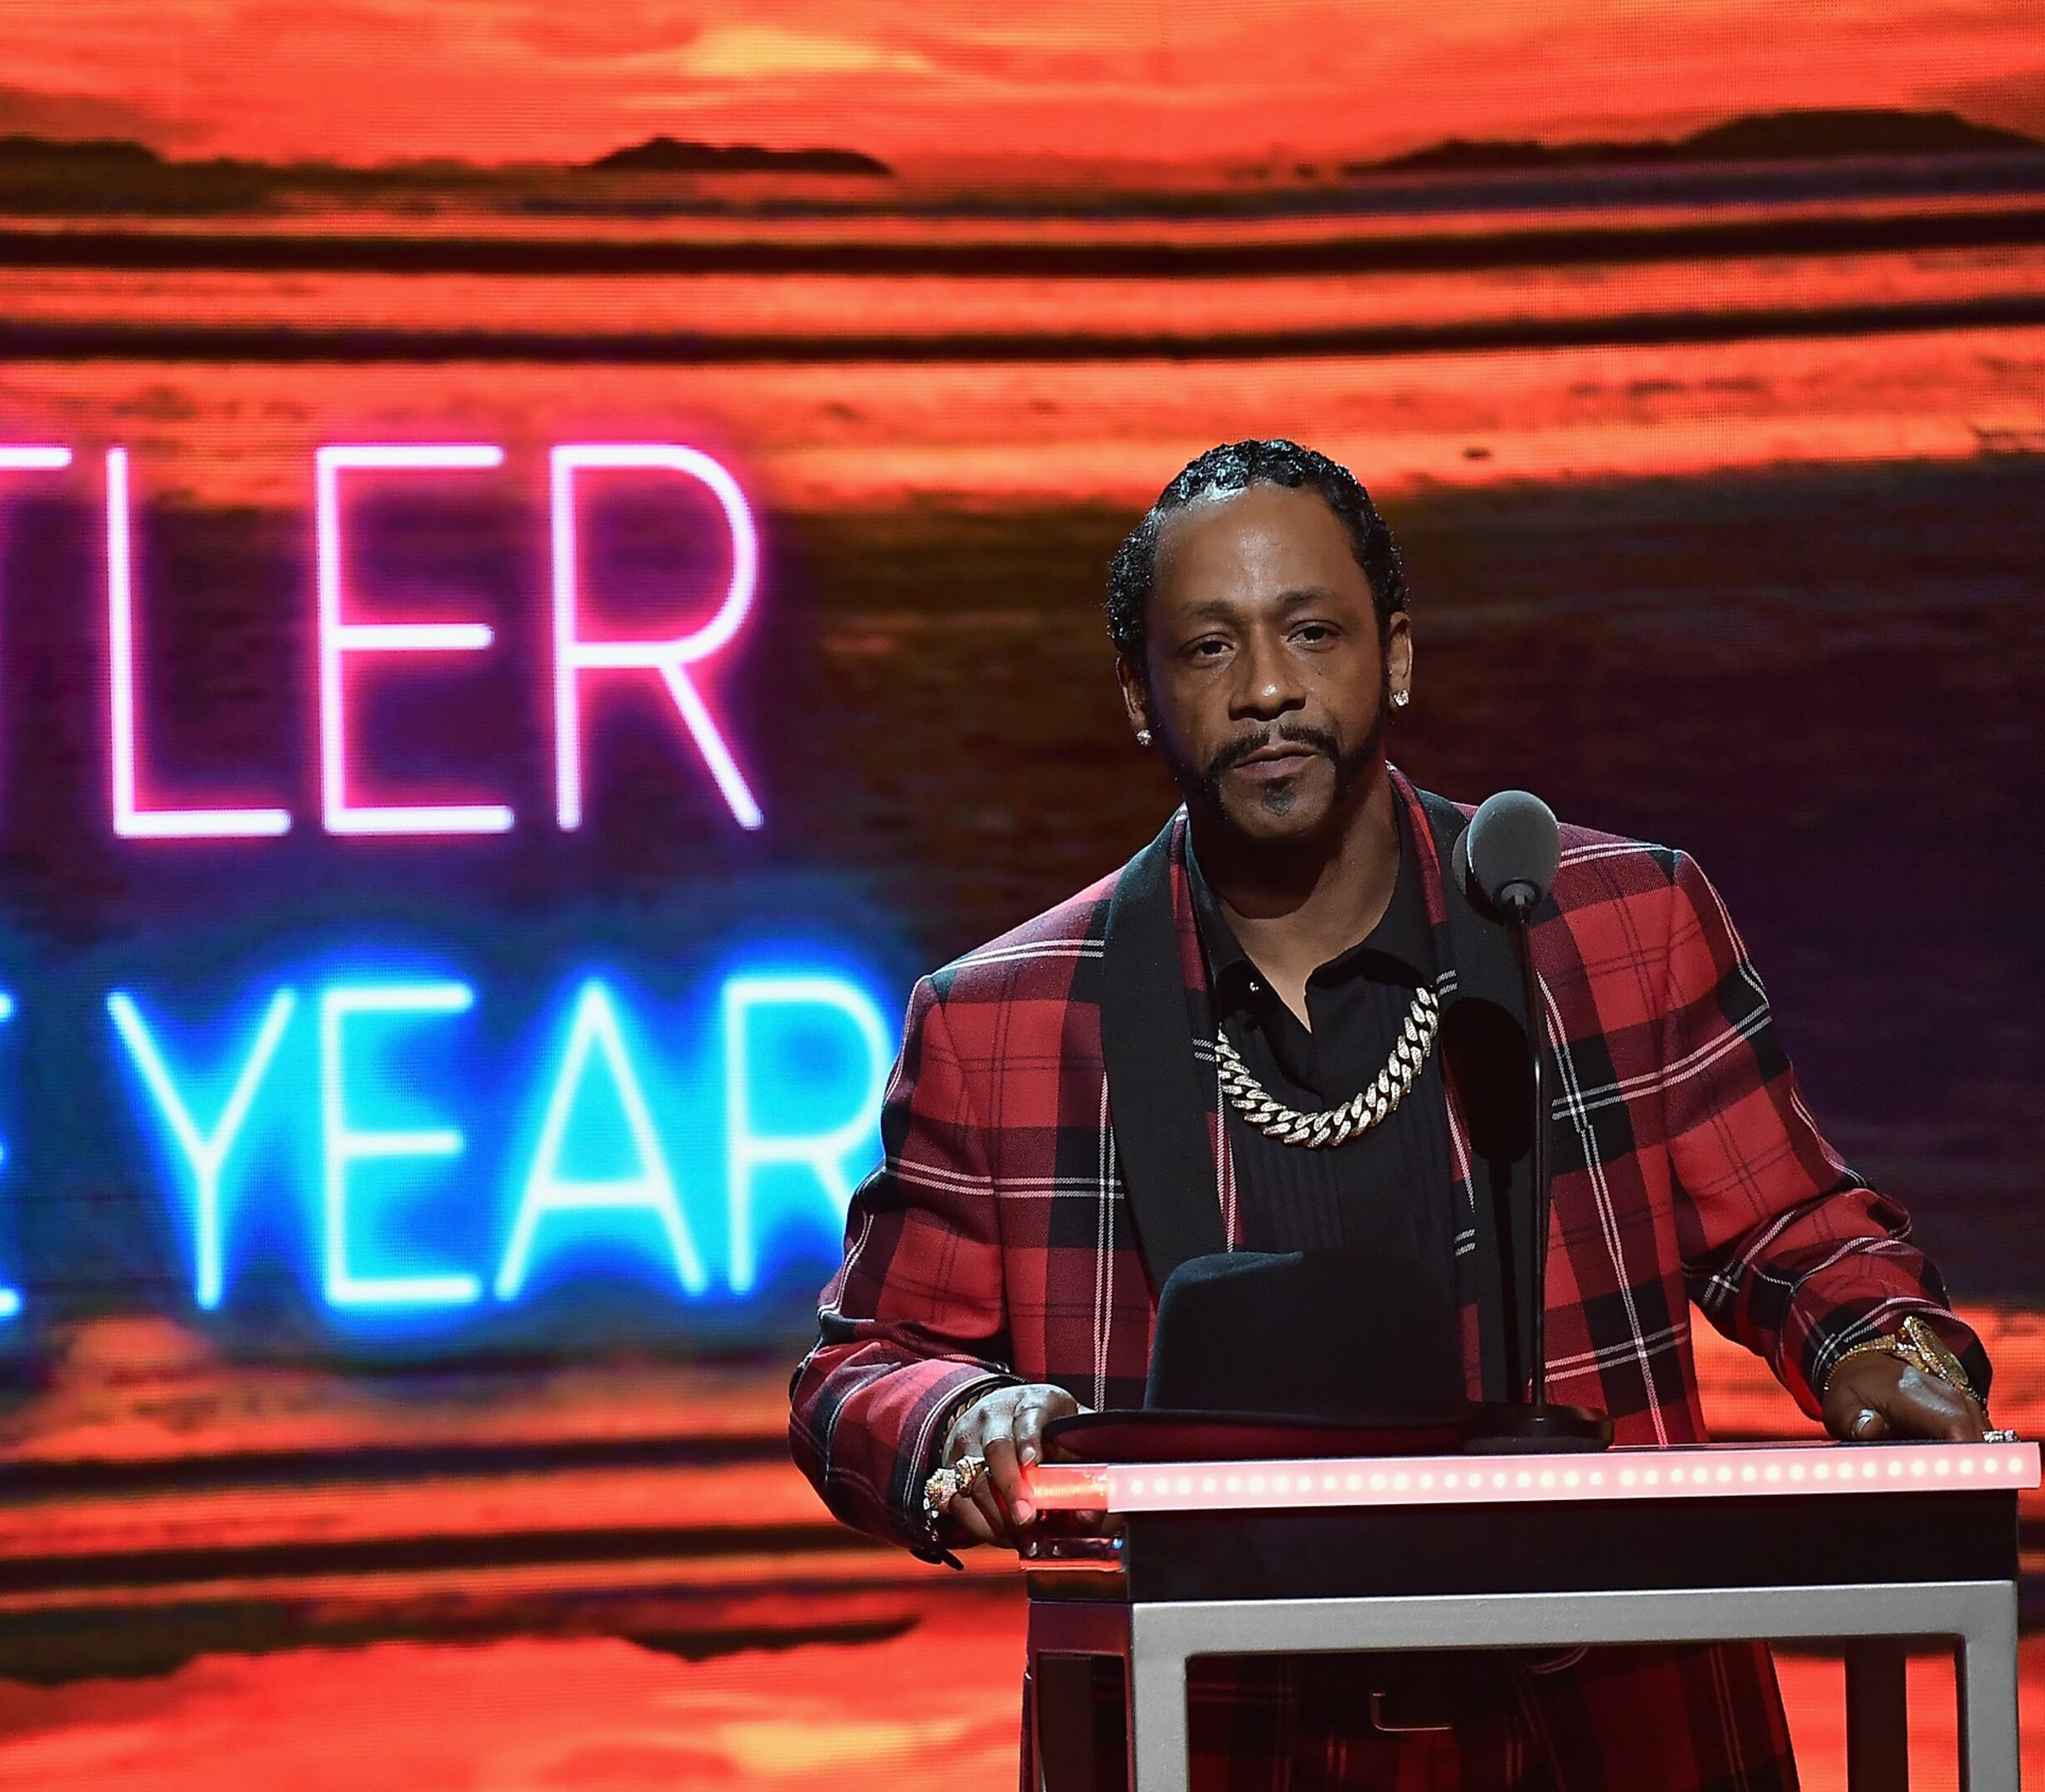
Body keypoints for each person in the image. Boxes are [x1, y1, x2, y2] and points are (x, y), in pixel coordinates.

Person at [786, 439, 1997, 1788]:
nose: (1265, 692)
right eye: (1206, 650)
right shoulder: (1005, 1020)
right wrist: (963, 1424)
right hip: (1212, 1736)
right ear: (1138, 694)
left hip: (1612, 1725)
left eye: (1312, 632)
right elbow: (860, 1367)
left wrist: (1882, 1349)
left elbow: (1795, 1229)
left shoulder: (1614, 925)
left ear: (1397, 656)